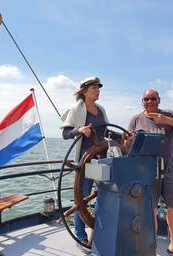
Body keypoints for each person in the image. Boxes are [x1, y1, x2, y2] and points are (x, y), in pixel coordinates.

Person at [127, 89, 173, 256]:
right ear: (142, 101)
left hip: (169, 169)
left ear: (159, 100)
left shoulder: (168, 114)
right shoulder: (136, 119)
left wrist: (166, 120)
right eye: (146, 99)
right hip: (146, 171)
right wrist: (128, 141)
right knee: (151, 209)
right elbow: (126, 145)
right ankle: (151, 245)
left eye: (153, 98)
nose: (150, 101)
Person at [60, 77, 109, 253]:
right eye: (94, 87)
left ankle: (97, 230)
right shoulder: (76, 109)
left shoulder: (101, 110)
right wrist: (79, 130)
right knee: (81, 198)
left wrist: (123, 137)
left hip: (101, 160)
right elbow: (65, 133)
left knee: (104, 195)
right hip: (84, 162)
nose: (98, 90)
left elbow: (106, 131)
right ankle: (80, 236)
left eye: (98, 87)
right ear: (85, 90)